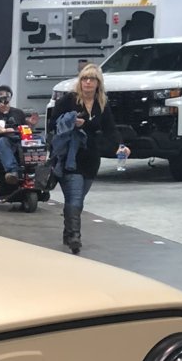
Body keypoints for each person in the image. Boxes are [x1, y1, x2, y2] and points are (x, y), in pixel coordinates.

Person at [50, 63, 117, 254]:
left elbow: (110, 129)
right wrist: (71, 122)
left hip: (91, 157)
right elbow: (53, 122)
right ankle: (74, 236)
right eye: (84, 79)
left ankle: (68, 231)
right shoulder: (69, 100)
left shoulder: (102, 104)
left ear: (98, 83)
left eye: (92, 79)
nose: (87, 82)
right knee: (75, 196)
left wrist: (120, 145)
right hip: (70, 156)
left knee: (78, 197)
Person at [0, 86, 27, 183]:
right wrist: (5, 129)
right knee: (1, 142)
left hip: (18, 139)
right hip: (3, 140)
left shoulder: (18, 112)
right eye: (0, 95)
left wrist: (31, 124)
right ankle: (13, 171)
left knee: (38, 140)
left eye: (6, 95)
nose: (4, 97)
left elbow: (25, 128)